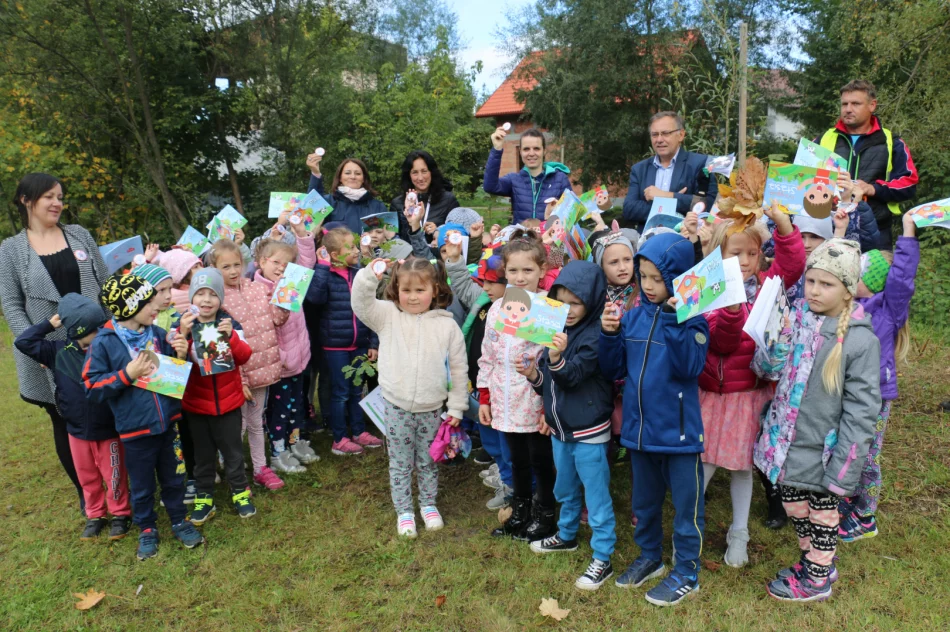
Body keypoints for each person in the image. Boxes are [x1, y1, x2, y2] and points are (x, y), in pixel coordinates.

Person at [754, 239, 881, 602]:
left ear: (848, 290)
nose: (814, 290)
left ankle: (817, 577)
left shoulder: (859, 342)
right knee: (793, 502)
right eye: (811, 281)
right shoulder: (796, 320)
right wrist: (774, 344)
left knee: (822, 513)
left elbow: (862, 412)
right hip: (788, 441)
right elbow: (768, 371)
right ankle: (815, 559)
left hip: (824, 451)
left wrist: (845, 467)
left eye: (826, 284)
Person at [599, 231, 709, 607]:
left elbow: (690, 367)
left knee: (686, 506)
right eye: (642, 276)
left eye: (656, 278)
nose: (647, 285)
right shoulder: (632, 318)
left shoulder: (693, 320)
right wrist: (610, 335)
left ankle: (687, 570)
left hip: (678, 435)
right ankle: (650, 555)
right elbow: (614, 370)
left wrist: (678, 321)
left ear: (677, 278)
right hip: (638, 433)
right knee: (643, 503)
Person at [697, 205, 805, 566]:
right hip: (713, 393)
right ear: (717, 254)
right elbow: (722, 344)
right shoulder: (708, 290)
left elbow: (791, 265)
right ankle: (691, 525)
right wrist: (730, 313)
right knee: (703, 464)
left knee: (742, 466)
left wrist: (785, 225)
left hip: (748, 394)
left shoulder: (765, 286)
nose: (744, 260)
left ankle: (739, 532)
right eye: (735, 252)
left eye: (752, 252)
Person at [0, 173, 109, 514]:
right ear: (25, 200)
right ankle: (88, 494)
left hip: (97, 344)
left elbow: (104, 286)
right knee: (65, 419)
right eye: (48, 196)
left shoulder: (80, 235)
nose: (57, 202)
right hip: (51, 353)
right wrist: (36, 347)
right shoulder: (11, 249)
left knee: (106, 411)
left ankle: (118, 485)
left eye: (60, 196)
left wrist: (111, 333)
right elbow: (12, 305)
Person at [83, 268, 205, 561]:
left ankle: (179, 519)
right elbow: (91, 386)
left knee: (175, 477)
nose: (156, 306)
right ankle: (147, 528)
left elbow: (170, 376)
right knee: (141, 484)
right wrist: (127, 374)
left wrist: (179, 353)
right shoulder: (104, 342)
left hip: (168, 424)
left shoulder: (158, 334)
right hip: (135, 431)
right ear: (130, 307)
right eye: (148, 302)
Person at [351, 257, 468, 537]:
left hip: (432, 408)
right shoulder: (387, 315)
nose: (413, 297)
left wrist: (457, 406)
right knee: (401, 462)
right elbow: (361, 303)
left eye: (420, 290)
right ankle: (404, 511)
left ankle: (428, 504)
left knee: (429, 459)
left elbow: (458, 369)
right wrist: (371, 274)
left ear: (436, 290)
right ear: (395, 289)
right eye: (406, 290)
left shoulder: (447, 327)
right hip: (396, 405)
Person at [520, 261, 618, 592]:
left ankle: (603, 557)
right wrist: (535, 376)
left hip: (589, 431)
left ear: (592, 300)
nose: (569, 310)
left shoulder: (596, 336)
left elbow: (572, 376)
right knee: (564, 488)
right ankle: (566, 535)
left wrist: (556, 359)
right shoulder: (555, 331)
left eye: (577, 302)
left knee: (597, 494)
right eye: (561, 302)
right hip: (560, 430)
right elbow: (551, 384)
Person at [14, 294, 131, 542]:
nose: (98, 337)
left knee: (114, 475)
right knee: (87, 476)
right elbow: (23, 342)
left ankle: (121, 513)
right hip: (76, 430)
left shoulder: (110, 348)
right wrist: (49, 324)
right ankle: (95, 515)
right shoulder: (57, 352)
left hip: (108, 428)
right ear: (76, 332)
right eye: (92, 333)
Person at [838, 213, 920, 542]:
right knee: (847, 446)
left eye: (856, 273)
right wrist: (840, 231)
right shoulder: (847, 303)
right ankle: (847, 498)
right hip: (847, 390)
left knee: (867, 453)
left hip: (875, 393)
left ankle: (865, 514)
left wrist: (908, 233)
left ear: (871, 281)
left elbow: (902, 278)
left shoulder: (887, 307)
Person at [477, 230, 555, 542]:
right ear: (504, 272)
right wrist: (485, 396)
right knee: (516, 458)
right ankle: (520, 510)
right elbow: (488, 353)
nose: (520, 278)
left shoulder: (547, 310)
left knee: (540, 459)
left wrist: (549, 405)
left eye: (528, 270)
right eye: (513, 271)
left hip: (532, 400)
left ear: (542, 272)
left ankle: (545, 513)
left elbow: (551, 361)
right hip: (503, 397)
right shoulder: (497, 309)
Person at [176, 268, 255, 524]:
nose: (206, 300)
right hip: (197, 407)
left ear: (221, 299)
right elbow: (175, 366)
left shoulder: (228, 324)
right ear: (192, 298)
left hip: (229, 405)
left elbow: (243, 356)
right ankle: (204, 497)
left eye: (212, 294)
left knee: (233, 453)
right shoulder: (183, 325)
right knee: (203, 456)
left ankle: (240, 492)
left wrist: (231, 336)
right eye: (200, 293)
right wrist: (184, 336)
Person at [209, 238, 290, 486]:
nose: (233, 271)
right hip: (236, 375)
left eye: (236, 265)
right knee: (238, 426)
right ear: (215, 269)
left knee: (256, 423)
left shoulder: (256, 287)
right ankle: (234, 471)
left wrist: (284, 294)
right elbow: (223, 345)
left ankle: (260, 468)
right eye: (226, 267)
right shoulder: (216, 298)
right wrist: (240, 378)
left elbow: (278, 319)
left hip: (264, 370)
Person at [444, 238, 514, 510]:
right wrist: (453, 261)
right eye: (482, 281)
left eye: (490, 281)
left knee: (505, 437)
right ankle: (501, 469)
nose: (484, 286)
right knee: (489, 433)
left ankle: (511, 482)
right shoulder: (485, 298)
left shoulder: (520, 310)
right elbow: (462, 284)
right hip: (481, 381)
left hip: (504, 387)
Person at [815, 80, 918, 249]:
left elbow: (909, 183)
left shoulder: (892, 142)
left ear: (872, 105)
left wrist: (872, 189)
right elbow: (802, 182)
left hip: (876, 231)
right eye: (844, 104)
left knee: (873, 277)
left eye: (855, 103)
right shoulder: (823, 139)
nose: (848, 109)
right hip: (827, 228)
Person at [305, 227, 381, 455]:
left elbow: (370, 307)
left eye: (356, 246)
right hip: (335, 346)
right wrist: (321, 266)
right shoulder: (324, 275)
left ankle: (358, 432)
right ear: (335, 254)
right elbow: (314, 298)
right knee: (340, 392)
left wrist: (373, 342)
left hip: (359, 344)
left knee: (357, 389)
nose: (357, 251)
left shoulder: (358, 274)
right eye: (350, 247)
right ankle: (339, 438)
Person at [253, 236, 322, 466]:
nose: (281, 268)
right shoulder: (257, 292)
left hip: (299, 360)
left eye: (286, 264)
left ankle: (296, 441)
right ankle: (278, 451)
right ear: (262, 262)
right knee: (279, 410)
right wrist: (279, 358)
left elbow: (308, 260)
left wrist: (303, 236)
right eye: (276, 262)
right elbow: (265, 331)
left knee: (298, 405)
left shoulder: (292, 283)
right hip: (280, 366)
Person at [621, 112, 718, 232]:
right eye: (655, 135)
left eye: (666, 133)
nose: (659, 140)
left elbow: (706, 205)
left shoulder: (701, 164)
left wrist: (665, 195)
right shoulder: (639, 169)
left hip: (687, 240)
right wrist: (675, 201)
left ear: (681, 135)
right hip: (648, 243)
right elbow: (629, 210)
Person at [483, 128, 587, 224]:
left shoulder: (560, 179)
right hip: (521, 241)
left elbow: (572, 216)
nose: (531, 153)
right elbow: (490, 186)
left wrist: (557, 212)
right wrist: (497, 149)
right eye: (526, 149)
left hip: (548, 241)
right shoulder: (514, 180)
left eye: (536, 148)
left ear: (544, 151)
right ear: (520, 152)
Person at [305, 154, 388, 235]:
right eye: (347, 173)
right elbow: (311, 207)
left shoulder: (378, 206)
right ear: (340, 178)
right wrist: (315, 173)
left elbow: (390, 237)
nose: (353, 177)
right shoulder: (329, 201)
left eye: (358, 174)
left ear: (364, 179)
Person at [389, 150, 461, 241]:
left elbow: (459, 233)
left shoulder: (448, 200)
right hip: (408, 255)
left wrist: (439, 230)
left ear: (432, 172)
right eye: (415, 172)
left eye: (424, 171)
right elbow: (391, 239)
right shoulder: (397, 204)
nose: (420, 178)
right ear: (408, 175)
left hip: (438, 254)